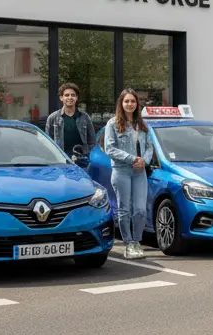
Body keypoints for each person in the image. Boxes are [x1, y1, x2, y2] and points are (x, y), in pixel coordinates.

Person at [103, 88, 155, 258]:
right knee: (124, 209)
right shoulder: (112, 123)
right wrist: (132, 158)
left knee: (140, 209)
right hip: (121, 170)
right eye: (127, 101)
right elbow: (110, 148)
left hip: (139, 171)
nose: (130, 104)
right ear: (121, 103)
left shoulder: (142, 124)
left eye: (133, 101)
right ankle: (128, 243)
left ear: (137, 104)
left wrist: (144, 161)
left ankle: (137, 241)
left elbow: (149, 147)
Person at [46, 83, 97, 165]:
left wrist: (84, 153)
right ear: (61, 98)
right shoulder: (53, 118)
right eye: (66, 95)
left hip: (81, 161)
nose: (70, 97)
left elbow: (92, 141)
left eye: (73, 95)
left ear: (76, 98)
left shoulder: (84, 117)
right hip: (61, 161)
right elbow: (48, 143)